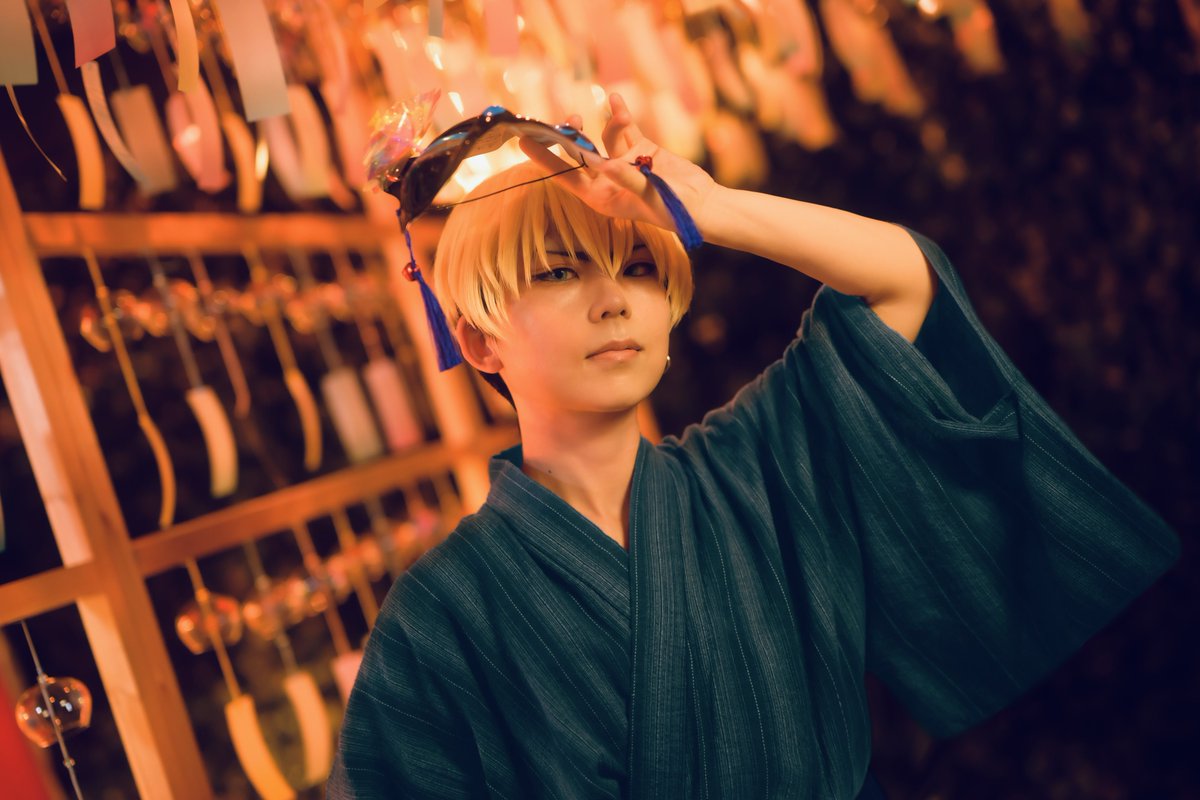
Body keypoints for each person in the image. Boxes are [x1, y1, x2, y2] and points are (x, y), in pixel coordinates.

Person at [327, 94, 1180, 799]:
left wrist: (715, 210)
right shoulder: (438, 619)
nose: (613, 299)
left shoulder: (758, 470)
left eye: (639, 267)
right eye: (557, 271)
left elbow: (905, 283)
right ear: (479, 342)